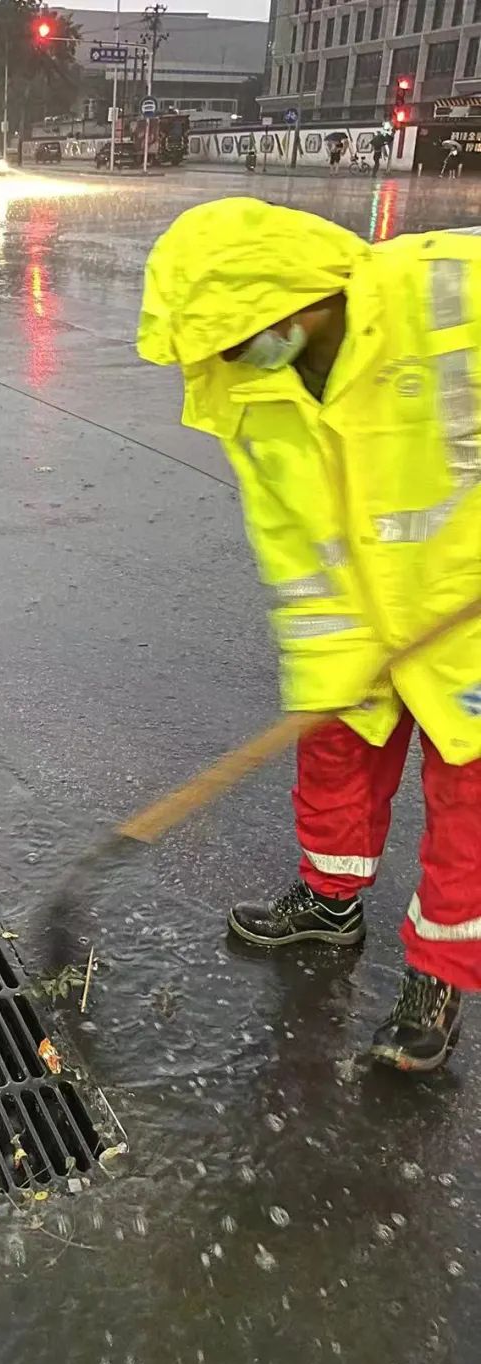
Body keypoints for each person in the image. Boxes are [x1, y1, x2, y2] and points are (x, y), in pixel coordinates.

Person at [137, 197, 481, 1074]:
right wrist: (325, 658)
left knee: (469, 808)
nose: (232, 360)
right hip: (364, 617)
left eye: (236, 336)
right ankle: (331, 905)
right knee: (333, 753)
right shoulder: (257, 389)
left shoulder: (450, 282)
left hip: (467, 609)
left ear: (288, 302)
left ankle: (438, 980)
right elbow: (293, 543)